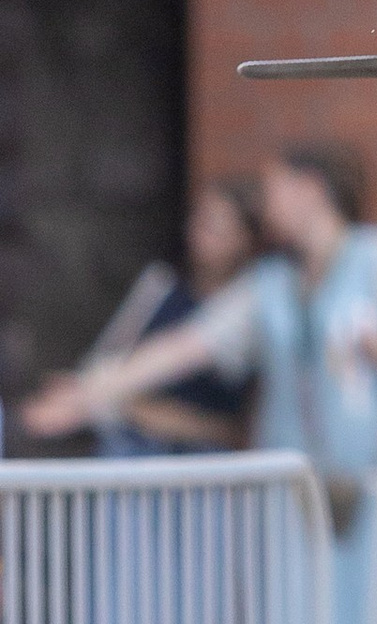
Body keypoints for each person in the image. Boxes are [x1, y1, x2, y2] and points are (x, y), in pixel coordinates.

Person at [23, 141, 377, 624]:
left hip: (375, 491)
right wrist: (89, 391)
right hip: (296, 498)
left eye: (275, 187)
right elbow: (186, 347)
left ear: (310, 188)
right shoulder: (273, 285)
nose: (267, 204)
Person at [89, 177, 263, 456]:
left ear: (245, 239)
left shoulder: (256, 304)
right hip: (136, 451)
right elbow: (101, 371)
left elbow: (249, 426)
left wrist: (170, 418)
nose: (198, 235)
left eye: (215, 228)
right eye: (198, 221)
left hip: (210, 462)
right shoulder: (161, 288)